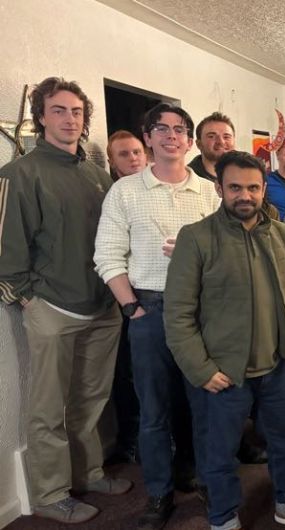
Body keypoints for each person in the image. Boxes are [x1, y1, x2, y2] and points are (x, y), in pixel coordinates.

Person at [164, 150, 285, 530]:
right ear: (220, 188)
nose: (246, 195)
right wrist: (201, 368)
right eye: (236, 187)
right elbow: (177, 315)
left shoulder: (283, 235)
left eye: (254, 187)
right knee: (219, 453)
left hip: (276, 368)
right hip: (222, 374)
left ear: (263, 189)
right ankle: (223, 519)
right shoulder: (196, 238)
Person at [0, 77, 129, 524]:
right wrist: (27, 299)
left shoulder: (96, 175)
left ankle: (88, 471)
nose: (69, 119)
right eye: (58, 110)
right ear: (40, 117)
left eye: (76, 111)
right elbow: (6, 248)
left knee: (91, 399)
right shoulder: (19, 174)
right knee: (48, 407)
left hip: (102, 306)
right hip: (52, 307)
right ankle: (51, 494)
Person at [95, 103, 220, 529]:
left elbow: (224, 256)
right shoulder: (125, 191)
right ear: (147, 137)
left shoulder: (208, 192)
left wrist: (198, 255)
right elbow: (107, 256)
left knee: (202, 404)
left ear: (189, 140)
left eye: (180, 130)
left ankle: (200, 476)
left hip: (201, 311)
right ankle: (160, 493)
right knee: (154, 411)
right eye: (161, 129)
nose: (172, 136)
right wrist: (132, 307)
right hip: (149, 308)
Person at [103, 129, 147, 468]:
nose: (132, 159)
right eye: (123, 154)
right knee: (128, 374)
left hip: (152, 299)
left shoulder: (155, 190)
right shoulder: (116, 195)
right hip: (122, 299)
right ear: (111, 162)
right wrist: (129, 304)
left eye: (136, 152)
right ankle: (130, 438)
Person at [188, 111, 235, 182]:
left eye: (226, 137)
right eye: (211, 136)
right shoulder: (187, 179)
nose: (221, 142)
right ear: (199, 144)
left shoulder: (246, 174)